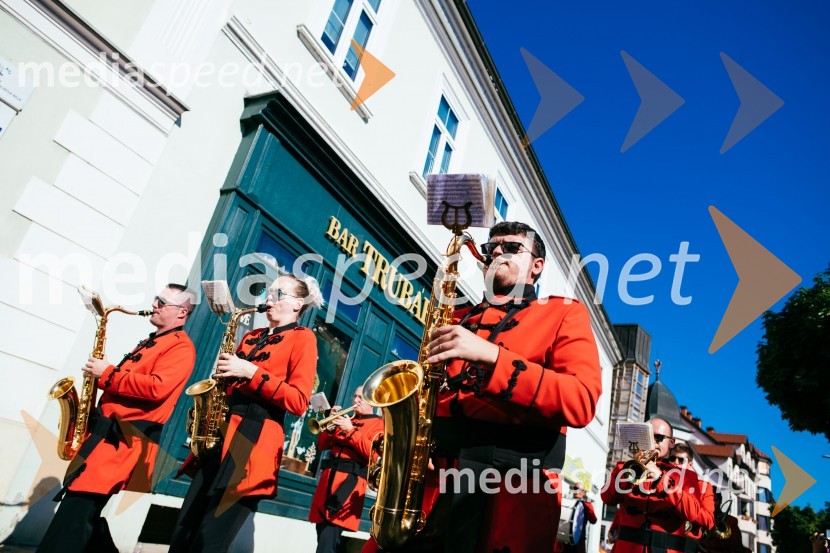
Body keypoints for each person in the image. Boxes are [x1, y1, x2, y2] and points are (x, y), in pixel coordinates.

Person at [364, 221, 603, 553]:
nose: (498, 252)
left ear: (537, 266)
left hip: (507, 499)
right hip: (429, 490)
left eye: (512, 247)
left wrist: (493, 357)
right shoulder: (456, 318)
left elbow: (581, 402)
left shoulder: (563, 314)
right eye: (493, 248)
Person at [169, 274, 323, 553]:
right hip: (219, 439)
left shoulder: (304, 338)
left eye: (278, 294)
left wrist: (251, 372)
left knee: (209, 541)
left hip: (253, 444)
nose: (268, 298)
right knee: (183, 531)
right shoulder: (252, 336)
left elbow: (299, 401)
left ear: (297, 304)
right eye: (268, 291)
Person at [37, 284, 197, 553]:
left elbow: (156, 388)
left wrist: (107, 373)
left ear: (181, 312)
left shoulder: (181, 348)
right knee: (79, 516)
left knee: (77, 515)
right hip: (103, 438)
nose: (154, 304)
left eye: (162, 301)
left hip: (121, 441)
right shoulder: (151, 341)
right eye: (156, 298)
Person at [601, 418, 715, 553]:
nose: (652, 442)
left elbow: (693, 513)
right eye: (647, 436)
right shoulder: (623, 468)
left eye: (658, 438)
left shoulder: (686, 476)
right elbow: (607, 498)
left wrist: (661, 479)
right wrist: (627, 475)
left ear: (671, 443)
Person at [309, 386, 384, 553]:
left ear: (372, 401)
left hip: (347, 487)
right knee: (322, 536)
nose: (356, 401)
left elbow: (373, 454)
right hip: (327, 483)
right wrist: (329, 425)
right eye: (355, 396)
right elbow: (322, 445)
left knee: (327, 541)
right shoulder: (347, 418)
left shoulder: (379, 425)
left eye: (361, 398)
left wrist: (350, 430)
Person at [559, 482, 598, 553]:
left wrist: (588, 507)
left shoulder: (586, 505)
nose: (575, 491)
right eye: (574, 488)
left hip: (579, 542)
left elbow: (594, 520)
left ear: (583, 492)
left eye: (577, 489)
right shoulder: (566, 502)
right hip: (564, 540)